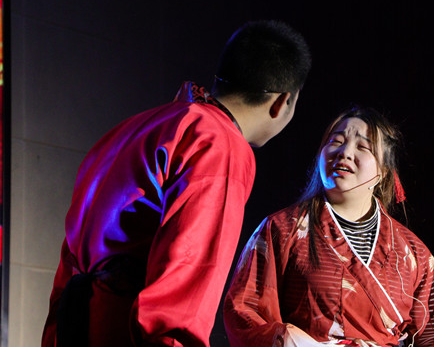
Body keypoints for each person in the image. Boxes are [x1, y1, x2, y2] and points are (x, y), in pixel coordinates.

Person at [41, 20, 311, 347]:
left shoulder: (139, 125)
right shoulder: (218, 143)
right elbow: (187, 277)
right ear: (282, 103)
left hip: (75, 329)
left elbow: (70, 258)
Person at [224, 106, 434, 347]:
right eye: (336, 142)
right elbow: (244, 311)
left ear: (383, 172)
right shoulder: (281, 230)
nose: (344, 152)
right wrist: (287, 338)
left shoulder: (414, 254)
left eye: (363, 147)